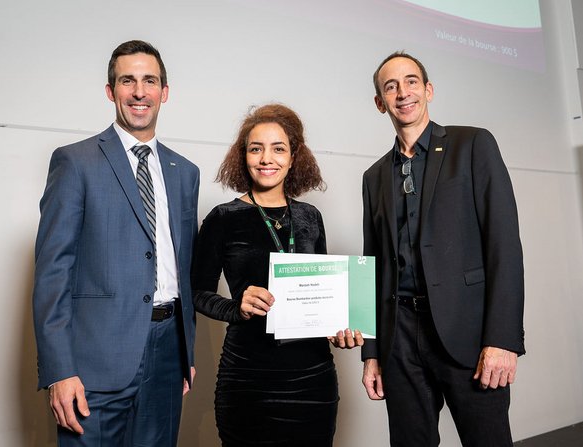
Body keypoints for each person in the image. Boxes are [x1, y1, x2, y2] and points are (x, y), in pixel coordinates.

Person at [32, 40, 199, 446]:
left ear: (165, 92)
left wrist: (186, 352)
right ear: (111, 91)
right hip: (94, 359)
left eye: (150, 81)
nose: (139, 92)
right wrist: (59, 369)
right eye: (128, 81)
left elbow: (185, 267)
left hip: (167, 355)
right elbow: (54, 270)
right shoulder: (76, 161)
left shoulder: (185, 172)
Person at [361, 51, 525, 446]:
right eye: (391, 86)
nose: (403, 93)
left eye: (412, 81)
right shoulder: (373, 176)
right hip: (399, 338)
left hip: (467, 335)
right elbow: (373, 264)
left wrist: (502, 339)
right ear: (380, 103)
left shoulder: (473, 144)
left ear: (428, 90)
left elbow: (504, 245)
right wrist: (372, 351)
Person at [192, 104, 363, 447]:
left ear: (294, 155)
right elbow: (197, 292)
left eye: (278, 148)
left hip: (313, 380)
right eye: (256, 148)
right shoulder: (223, 218)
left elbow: (325, 292)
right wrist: (236, 306)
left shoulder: (310, 217)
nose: (266, 158)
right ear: (244, 156)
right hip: (248, 378)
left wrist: (342, 327)